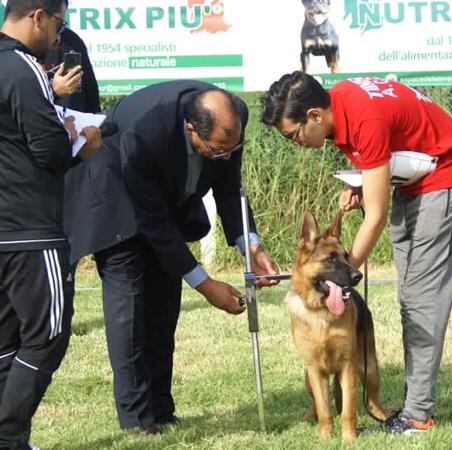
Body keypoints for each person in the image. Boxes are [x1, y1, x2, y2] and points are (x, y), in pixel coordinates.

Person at [262, 72, 452, 435]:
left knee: (421, 298)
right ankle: (415, 406)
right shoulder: (341, 104)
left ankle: (417, 416)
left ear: (315, 115)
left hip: (447, 177)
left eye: (294, 135)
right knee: (410, 296)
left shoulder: (363, 117)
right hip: (413, 184)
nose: (295, 143)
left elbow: (376, 216)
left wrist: (342, 273)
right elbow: (381, 159)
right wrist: (360, 184)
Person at [63, 80, 280, 435]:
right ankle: (136, 419)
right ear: (191, 129)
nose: (226, 156)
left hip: (167, 196)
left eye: (231, 148)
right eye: (218, 149)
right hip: (115, 191)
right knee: (129, 307)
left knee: (164, 309)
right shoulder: (145, 131)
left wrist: (251, 246)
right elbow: (153, 222)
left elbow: (229, 187)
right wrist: (205, 283)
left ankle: (162, 409)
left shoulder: (230, 120)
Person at [0, 0, 101, 448]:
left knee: (6, 340)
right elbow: (50, 152)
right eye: (58, 24)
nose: (59, 37)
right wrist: (83, 143)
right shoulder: (26, 69)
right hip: (31, 228)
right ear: (38, 16)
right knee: (49, 335)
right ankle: (9, 435)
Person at [43, 0, 101, 114]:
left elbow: (90, 89)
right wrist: (53, 92)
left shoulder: (72, 40)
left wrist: (96, 120)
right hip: (40, 126)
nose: (57, 38)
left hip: (75, 124)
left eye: (61, 26)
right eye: (57, 25)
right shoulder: (16, 52)